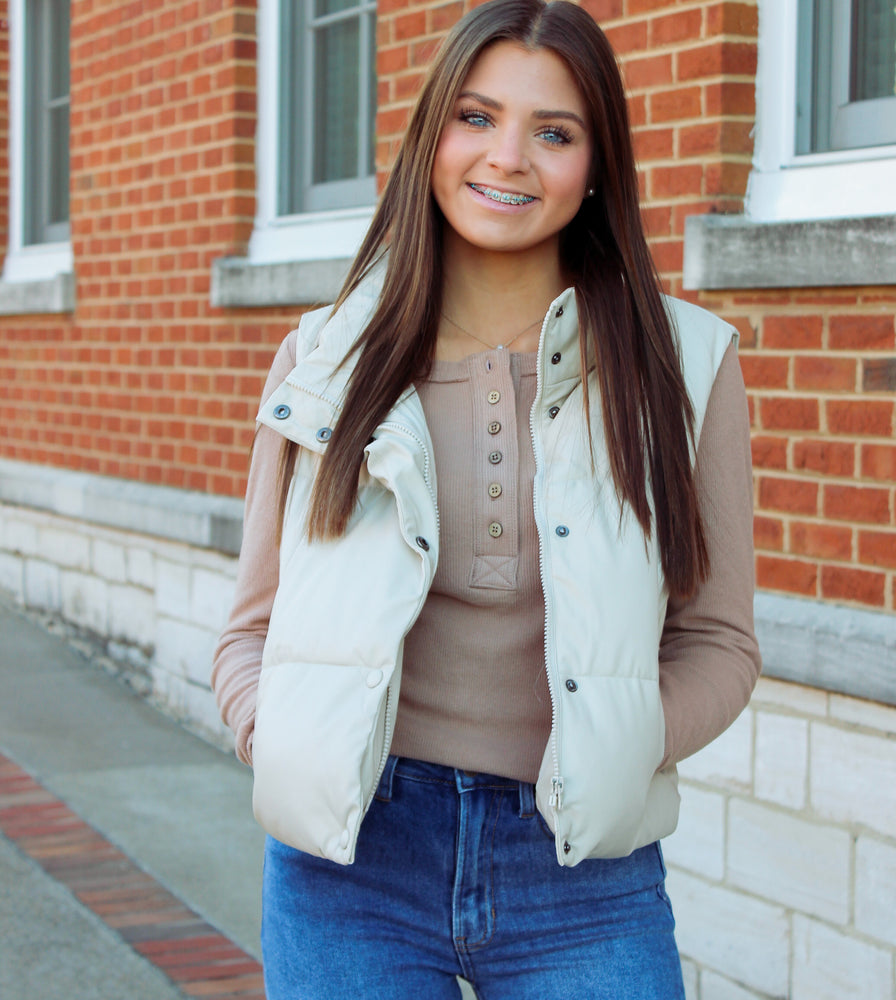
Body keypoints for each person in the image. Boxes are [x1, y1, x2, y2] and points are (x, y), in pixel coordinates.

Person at [212, 0, 761, 996]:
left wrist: (620, 747)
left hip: (580, 873)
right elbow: (250, 622)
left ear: (596, 167)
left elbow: (719, 640)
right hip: (350, 866)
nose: (506, 157)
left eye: (553, 132)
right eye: (476, 117)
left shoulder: (686, 364)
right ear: (431, 136)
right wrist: (278, 738)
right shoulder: (324, 357)